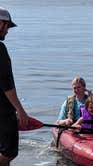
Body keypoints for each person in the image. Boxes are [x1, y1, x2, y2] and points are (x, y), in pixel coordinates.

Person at [0, 7, 29, 166]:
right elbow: (7, 85)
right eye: (7, 26)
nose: (8, 31)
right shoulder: (0, 49)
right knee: (9, 152)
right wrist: (21, 111)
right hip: (3, 112)